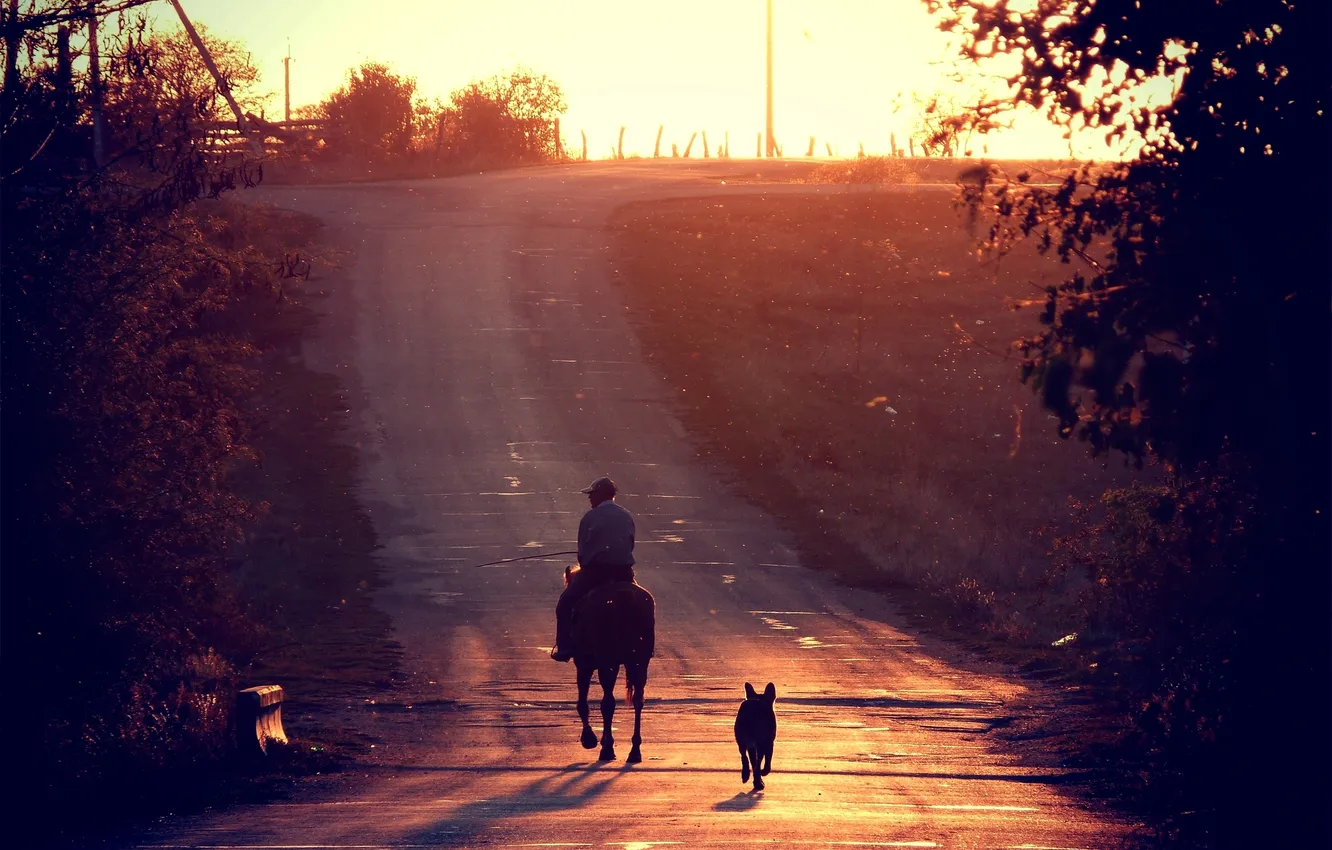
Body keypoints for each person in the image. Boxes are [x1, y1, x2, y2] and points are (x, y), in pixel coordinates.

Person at [550, 476, 636, 662]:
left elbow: (583, 553)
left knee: (565, 603)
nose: (590, 498)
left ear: (601, 494)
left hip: (596, 573)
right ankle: (640, 644)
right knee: (639, 601)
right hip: (624, 572)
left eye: (592, 494)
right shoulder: (626, 515)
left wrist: (590, 558)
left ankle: (565, 647)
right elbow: (630, 544)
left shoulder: (590, 517)